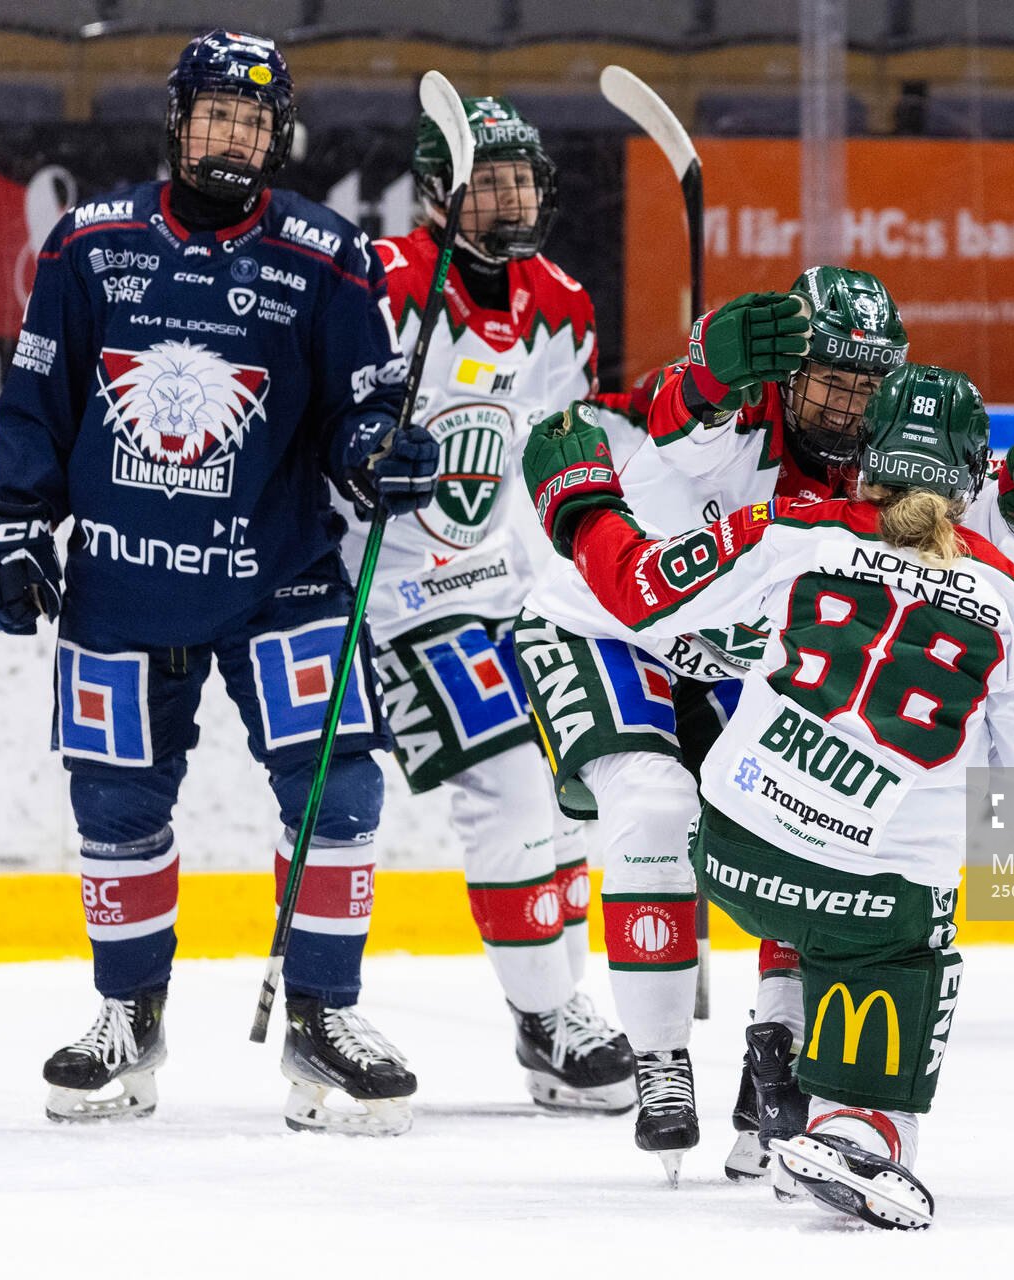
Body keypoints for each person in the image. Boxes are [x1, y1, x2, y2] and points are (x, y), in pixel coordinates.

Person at [518, 363, 1014, 1226]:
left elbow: (636, 587)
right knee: (909, 928)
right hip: (869, 905)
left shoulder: (788, 531)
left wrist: (582, 506)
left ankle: (782, 1063)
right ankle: (860, 1121)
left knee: (799, 858)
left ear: (864, 455)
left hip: (733, 852)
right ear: (974, 476)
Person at [0, 29, 437, 1136]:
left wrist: (375, 449)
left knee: (339, 783)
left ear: (279, 136)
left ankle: (322, 1013)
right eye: (216, 113)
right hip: (122, 580)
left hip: (281, 576)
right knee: (116, 802)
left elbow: (353, 410)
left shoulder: (328, 255)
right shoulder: (89, 244)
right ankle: (127, 1012)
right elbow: (40, 403)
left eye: (254, 119)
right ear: (177, 122)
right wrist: (14, 523)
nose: (234, 133)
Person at [346, 96, 634, 1114]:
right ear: (439, 189)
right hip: (400, 593)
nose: (510, 194)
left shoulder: (559, 298)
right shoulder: (377, 282)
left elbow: (561, 444)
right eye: (489, 178)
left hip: (517, 590)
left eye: (521, 177)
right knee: (510, 791)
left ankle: (555, 1013)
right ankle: (551, 1012)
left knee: (566, 799)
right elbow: (331, 419)